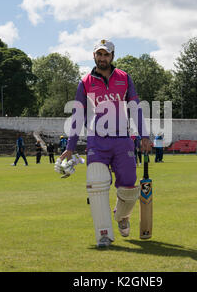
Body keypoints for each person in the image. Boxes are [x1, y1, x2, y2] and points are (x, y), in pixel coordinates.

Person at [57, 39, 152, 248]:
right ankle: (104, 235)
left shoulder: (124, 78)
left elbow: (135, 107)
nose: (102, 58)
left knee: (129, 188)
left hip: (122, 140)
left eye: (106, 54)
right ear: (94, 56)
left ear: (112, 56)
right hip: (97, 141)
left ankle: (122, 216)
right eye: (99, 54)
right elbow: (77, 114)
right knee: (97, 185)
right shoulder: (85, 81)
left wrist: (144, 135)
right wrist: (70, 146)